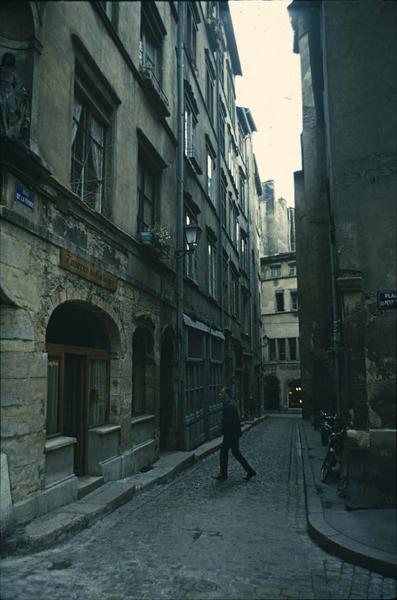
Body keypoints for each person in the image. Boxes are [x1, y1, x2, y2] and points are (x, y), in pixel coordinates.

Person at [214, 386, 256, 481]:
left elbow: (231, 421)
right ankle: (250, 471)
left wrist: (222, 423)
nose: (220, 395)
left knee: (224, 453)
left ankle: (223, 474)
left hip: (231, 434)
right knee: (236, 453)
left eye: (222, 393)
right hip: (233, 433)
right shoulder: (229, 403)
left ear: (227, 394)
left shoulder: (229, 405)